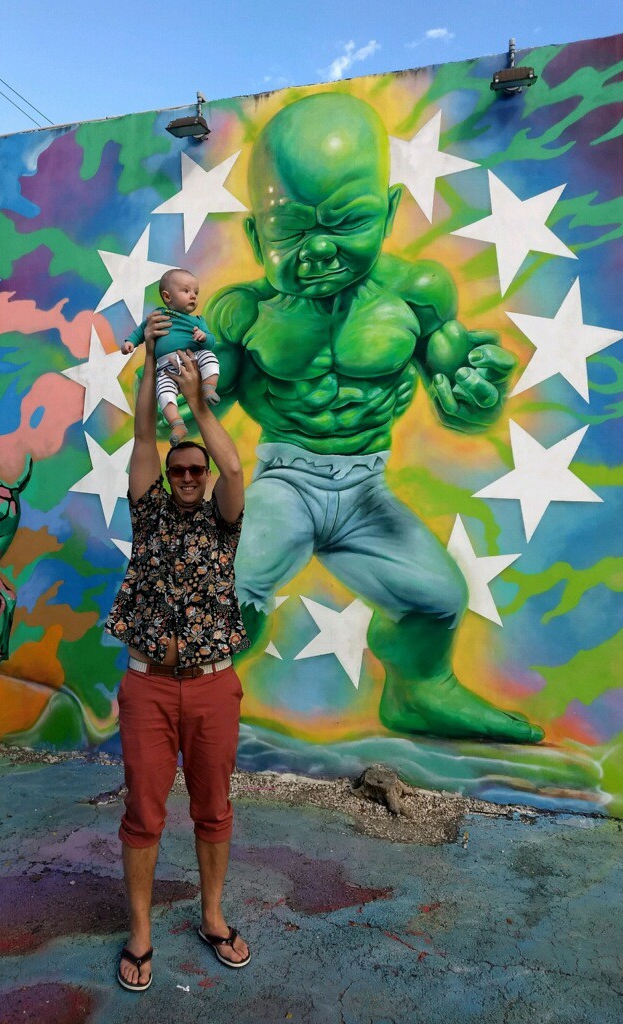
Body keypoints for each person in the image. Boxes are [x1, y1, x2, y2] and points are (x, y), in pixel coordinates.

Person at [201, 92, 544, 744]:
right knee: (231, 582)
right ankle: (196, 695)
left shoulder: (418, 293)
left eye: (349, 220)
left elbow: (459, 392)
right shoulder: (244, 312)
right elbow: (197, 410)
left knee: (438, 598)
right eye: (290, 229)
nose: (319, 249)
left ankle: (419, 692)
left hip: (365, 491)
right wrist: (175, 385)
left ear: (387, 212)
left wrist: (475, 398)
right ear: (255, 236)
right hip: (285, 482)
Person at [106, 311, 251, 992]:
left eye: (197, 468)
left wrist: (197, 404)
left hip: (213, 685)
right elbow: (143, 435)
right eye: (180, 469)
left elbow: (234, 464)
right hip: (149, 686)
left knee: (213, 808)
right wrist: (149, 360)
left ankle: (212, 916)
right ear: (168, 477)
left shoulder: (224, 523)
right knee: (143, 811)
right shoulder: (150, 513)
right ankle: (140, 933)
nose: (190, 475)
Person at [122, 269, 220, 446]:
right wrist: (130, 342)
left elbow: (211, 342)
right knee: (164, 393)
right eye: (186, 291)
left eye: (196, 292)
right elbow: (141, 331)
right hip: (166, 367)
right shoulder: (158, 316)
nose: (193, 296)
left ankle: (208, 387)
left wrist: (203, 337)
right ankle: (177, 425)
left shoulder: (198, 320)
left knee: (209, 357)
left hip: (193, 358)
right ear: (167, 297)